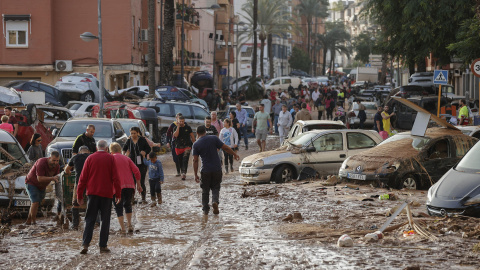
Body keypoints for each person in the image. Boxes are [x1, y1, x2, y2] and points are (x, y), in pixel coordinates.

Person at [77, 140, 121, 254]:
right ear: (106, 149)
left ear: (97, 148)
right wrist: (118, 194)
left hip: (92, 194)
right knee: (105, 220)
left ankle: (85, 245)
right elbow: (116, 178)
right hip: (106, 194)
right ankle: (102, 246)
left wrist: (79, 195)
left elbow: (82, 179)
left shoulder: (90, 158)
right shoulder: (111, 158)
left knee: (89, 219)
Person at [192, 126, 239, 215]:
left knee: (205, 190)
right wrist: (234, 154)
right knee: (216, 187)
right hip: (217, 169)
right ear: (205, 131)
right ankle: (215, 202)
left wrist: (195, 174)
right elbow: (225, 148)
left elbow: (195, 160)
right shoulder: (213, 138)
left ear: (197, 134)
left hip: (205, 170)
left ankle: (205, 210)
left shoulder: (196, 144)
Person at [109, 143, 141, 234]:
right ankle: (130, 225)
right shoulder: (127, 158)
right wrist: (138, 184)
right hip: (129, 186)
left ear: (111, 152)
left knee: (118, 207)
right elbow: (137, 171)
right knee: (128, 205)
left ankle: (123, 228)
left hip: (116, 187)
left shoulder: (110, 159)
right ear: (120, 150)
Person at [24, 152, 60, 225]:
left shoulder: (57, 166)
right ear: (49, 158)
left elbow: (57, 178)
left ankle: (28, 221)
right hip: (31, 182)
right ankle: (33, 223)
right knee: (35, 202)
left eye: (57, 160)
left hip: (42, 186)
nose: (55, 162)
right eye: (53, 160)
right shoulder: (41, 162)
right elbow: (39, 178)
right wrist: (52, 178)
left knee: (36, 203)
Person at [64, 146, 91, 230]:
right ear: (88, 151)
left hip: (79, 182)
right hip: (91, 183)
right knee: (92, 202)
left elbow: (66, 170)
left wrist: (69, 172)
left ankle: (75, 225)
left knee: (75, 203)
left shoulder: (75, 157)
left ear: (79, 152)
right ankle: (93, 223)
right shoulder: (91, 157)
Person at [123, 126, 151, 203]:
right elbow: (124, 148)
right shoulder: (129, 140)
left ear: (138, 133)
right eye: (131, 133)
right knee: (132, 182)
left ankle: (143, 198)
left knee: (141, 181)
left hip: (141, 164)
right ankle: (132, 198)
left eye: (134, 133)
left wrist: (144, 152)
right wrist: (124, 155)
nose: (133, 135)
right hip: (131, 163)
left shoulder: (142, 140)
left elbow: (149, 148)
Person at [173, 116, 195, 180]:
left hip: (187, 146)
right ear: (178, 121)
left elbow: (192, 136)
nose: (181, 123)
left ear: (184, 121)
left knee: (185, 159)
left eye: (182, 121)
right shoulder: (175, 128)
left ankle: (183, 173)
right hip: (178, 146)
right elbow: (176, 135)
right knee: (180, 161)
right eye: (180, 121)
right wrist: (178, 127)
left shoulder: (188, 128)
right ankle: (181, 171)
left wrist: (195, 144)